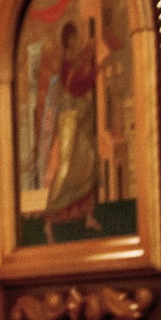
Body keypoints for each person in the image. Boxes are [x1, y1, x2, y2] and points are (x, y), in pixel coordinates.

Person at [38, 17, 101, 241]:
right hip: (70, 119)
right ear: (68, 40)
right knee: (66, 168)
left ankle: (88, 215)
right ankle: (49, 219)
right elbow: (76, 87)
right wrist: (96, 70)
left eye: (77, 37)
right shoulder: (66, 62)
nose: (76, 41)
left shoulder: (74, 58)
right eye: (73, 38)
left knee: (89, 160)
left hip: (80, 118)